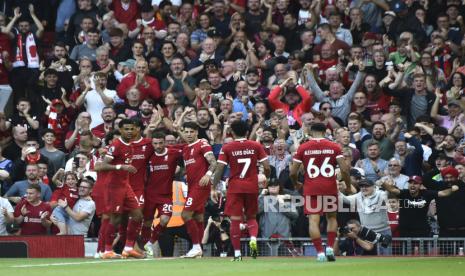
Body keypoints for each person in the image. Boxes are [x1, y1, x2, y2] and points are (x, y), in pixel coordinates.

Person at [289, 123, 351, 262]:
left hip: (311, 188)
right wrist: (347, 185)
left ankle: (319, 253)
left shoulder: (303, 147)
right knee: (332, 218)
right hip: (329, 187)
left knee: (313, 220)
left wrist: (296, 184)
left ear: (311, 131)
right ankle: (329, 247)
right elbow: (345, 169)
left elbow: (293, 171)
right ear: (325, 132)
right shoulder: (334, 146)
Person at [212, 119, 270, 261]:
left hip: (235, 187)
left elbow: (219, 169)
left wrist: (214, 186)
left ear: (231, 132)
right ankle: (253, 240)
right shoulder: (256, 145)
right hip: (252, 186)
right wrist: (265, 177)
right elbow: (267, 167)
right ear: (247, 132)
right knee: (251, 217)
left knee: (236, 220)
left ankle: (237, 253)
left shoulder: (227, 147)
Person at [94, 118, 142, 259]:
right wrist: (120, 166)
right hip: (113, 186)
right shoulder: (116, 145)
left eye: (131, 129)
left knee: (138, 215)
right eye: (126, 129)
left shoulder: (130, 145)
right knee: (115, 219)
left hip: (125, 185)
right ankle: (107, 251)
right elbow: (100, 166)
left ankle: (128, 248)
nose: (129, 131)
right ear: (120, 130)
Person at [142, 131, 183, 256]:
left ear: (165, 142)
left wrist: (181, 169)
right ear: (152, 143)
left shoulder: (174, 153)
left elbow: (186, 157)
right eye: (155, 143)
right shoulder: (148, 155)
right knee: (147, 222)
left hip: (165, 195)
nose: (158, 146)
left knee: (165, 220)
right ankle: (144, 248)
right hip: (149, 194)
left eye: (161, 143)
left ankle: (150, 242)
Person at [180, 122, 217, 258]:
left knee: (185, 215)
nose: (189, 134)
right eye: (186, 132)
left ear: (196, 132)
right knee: (198, 217)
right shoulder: (185, 149)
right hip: (191, 186)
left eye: (191, 132)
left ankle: (195, 247)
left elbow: (213, 162)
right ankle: (199, 249)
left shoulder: (202, 144)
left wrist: (207, 175)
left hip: (201, 185)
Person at [382, 175, 459, 237]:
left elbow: (443, 193)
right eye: (410, 183)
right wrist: (383, 183)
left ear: (420, 185)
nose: (412, 185)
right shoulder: (404, 193)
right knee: (405, 254)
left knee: (422, 254)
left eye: (415, 183)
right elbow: (392, 190)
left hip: (421, 229)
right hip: (404, 229)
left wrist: (451, 189)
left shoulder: (426, 193)